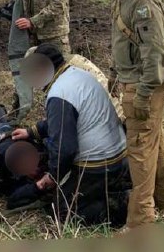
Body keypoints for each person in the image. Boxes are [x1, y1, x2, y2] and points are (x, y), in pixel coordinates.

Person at [9, 44, 131, 226]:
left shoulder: (59, 94)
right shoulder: (76, 74)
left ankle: (122, 207)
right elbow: (68, 119)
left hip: (99, 164)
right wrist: (31, 131)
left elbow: (65, 149)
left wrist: (50, 177)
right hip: (119, 155)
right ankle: (116, 190)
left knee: (63, 212)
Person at [97, 0, 164, 229]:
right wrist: (114, 75)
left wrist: (143, 94)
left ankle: (140, 226)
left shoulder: (142, 1)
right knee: (151, 141)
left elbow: (155, 55)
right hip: (132, 82)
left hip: (144, 85)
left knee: (139, 153)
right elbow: (122, 43)